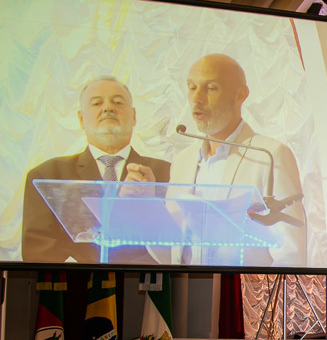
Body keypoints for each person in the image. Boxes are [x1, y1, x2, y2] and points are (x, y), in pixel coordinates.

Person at [170, 54, 306, 266]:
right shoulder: (182, 161)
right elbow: (172, 249)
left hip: (240, 294)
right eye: (191, 87)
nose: (197, 98)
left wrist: (259, 299)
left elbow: (290, 253)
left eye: (211, 88)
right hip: (184, 291)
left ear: (240, 95)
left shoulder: (269, 155)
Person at [21, 76, 169, 264]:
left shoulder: (165, 174)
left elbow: (177, 247)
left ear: (134, 117)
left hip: (144, 287)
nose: (108, 108)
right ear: (81, 119)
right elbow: (38, 249)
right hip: (77, 288)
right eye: (96, 103)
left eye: (117, 102)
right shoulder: (47, 175)